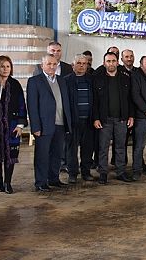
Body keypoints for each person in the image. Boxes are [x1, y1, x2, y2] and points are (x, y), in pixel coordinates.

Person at [27, 54, 72, 192]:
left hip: (60, 124)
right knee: (42, 155)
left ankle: (53, 179)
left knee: (57, 154)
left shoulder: (62, 80)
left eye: (54, 64)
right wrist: (35, 127)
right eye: (49, 64)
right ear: (42, 65)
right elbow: (32, 106)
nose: (52, 67)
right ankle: (41, 182)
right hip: (43, 126)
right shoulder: (35, 81)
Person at [0, 56, 27, 194]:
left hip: (12, 125)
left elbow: (21, 105)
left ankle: (8, 182)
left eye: (8, 66)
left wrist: (20, 125)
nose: (5, 69)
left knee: (11, 154)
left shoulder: (15, 84)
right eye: (2, 66)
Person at [92, 52, 135, 184]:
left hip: (121, 119)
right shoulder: (98, 79)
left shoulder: (125, 78)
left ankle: (121, 172)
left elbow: (130, 99)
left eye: (113, 61)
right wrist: (96, 118)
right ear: (104, 63)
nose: (111, 63)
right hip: (104, 120)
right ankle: (103, 173)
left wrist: (131, 116)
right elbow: (94, 101)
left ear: (118, 62)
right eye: (108, 61)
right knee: (103, 148)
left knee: (121, 147)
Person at [64, 54, 96, 183]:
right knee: (71, 149)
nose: (82, 66)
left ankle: (86, 172)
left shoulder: (92, 80)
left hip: (89, 120)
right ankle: (72, 174)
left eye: (84, 63)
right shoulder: (66, 81)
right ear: (73, 65)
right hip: (73, 122)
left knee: (87, 149)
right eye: (79, 63)